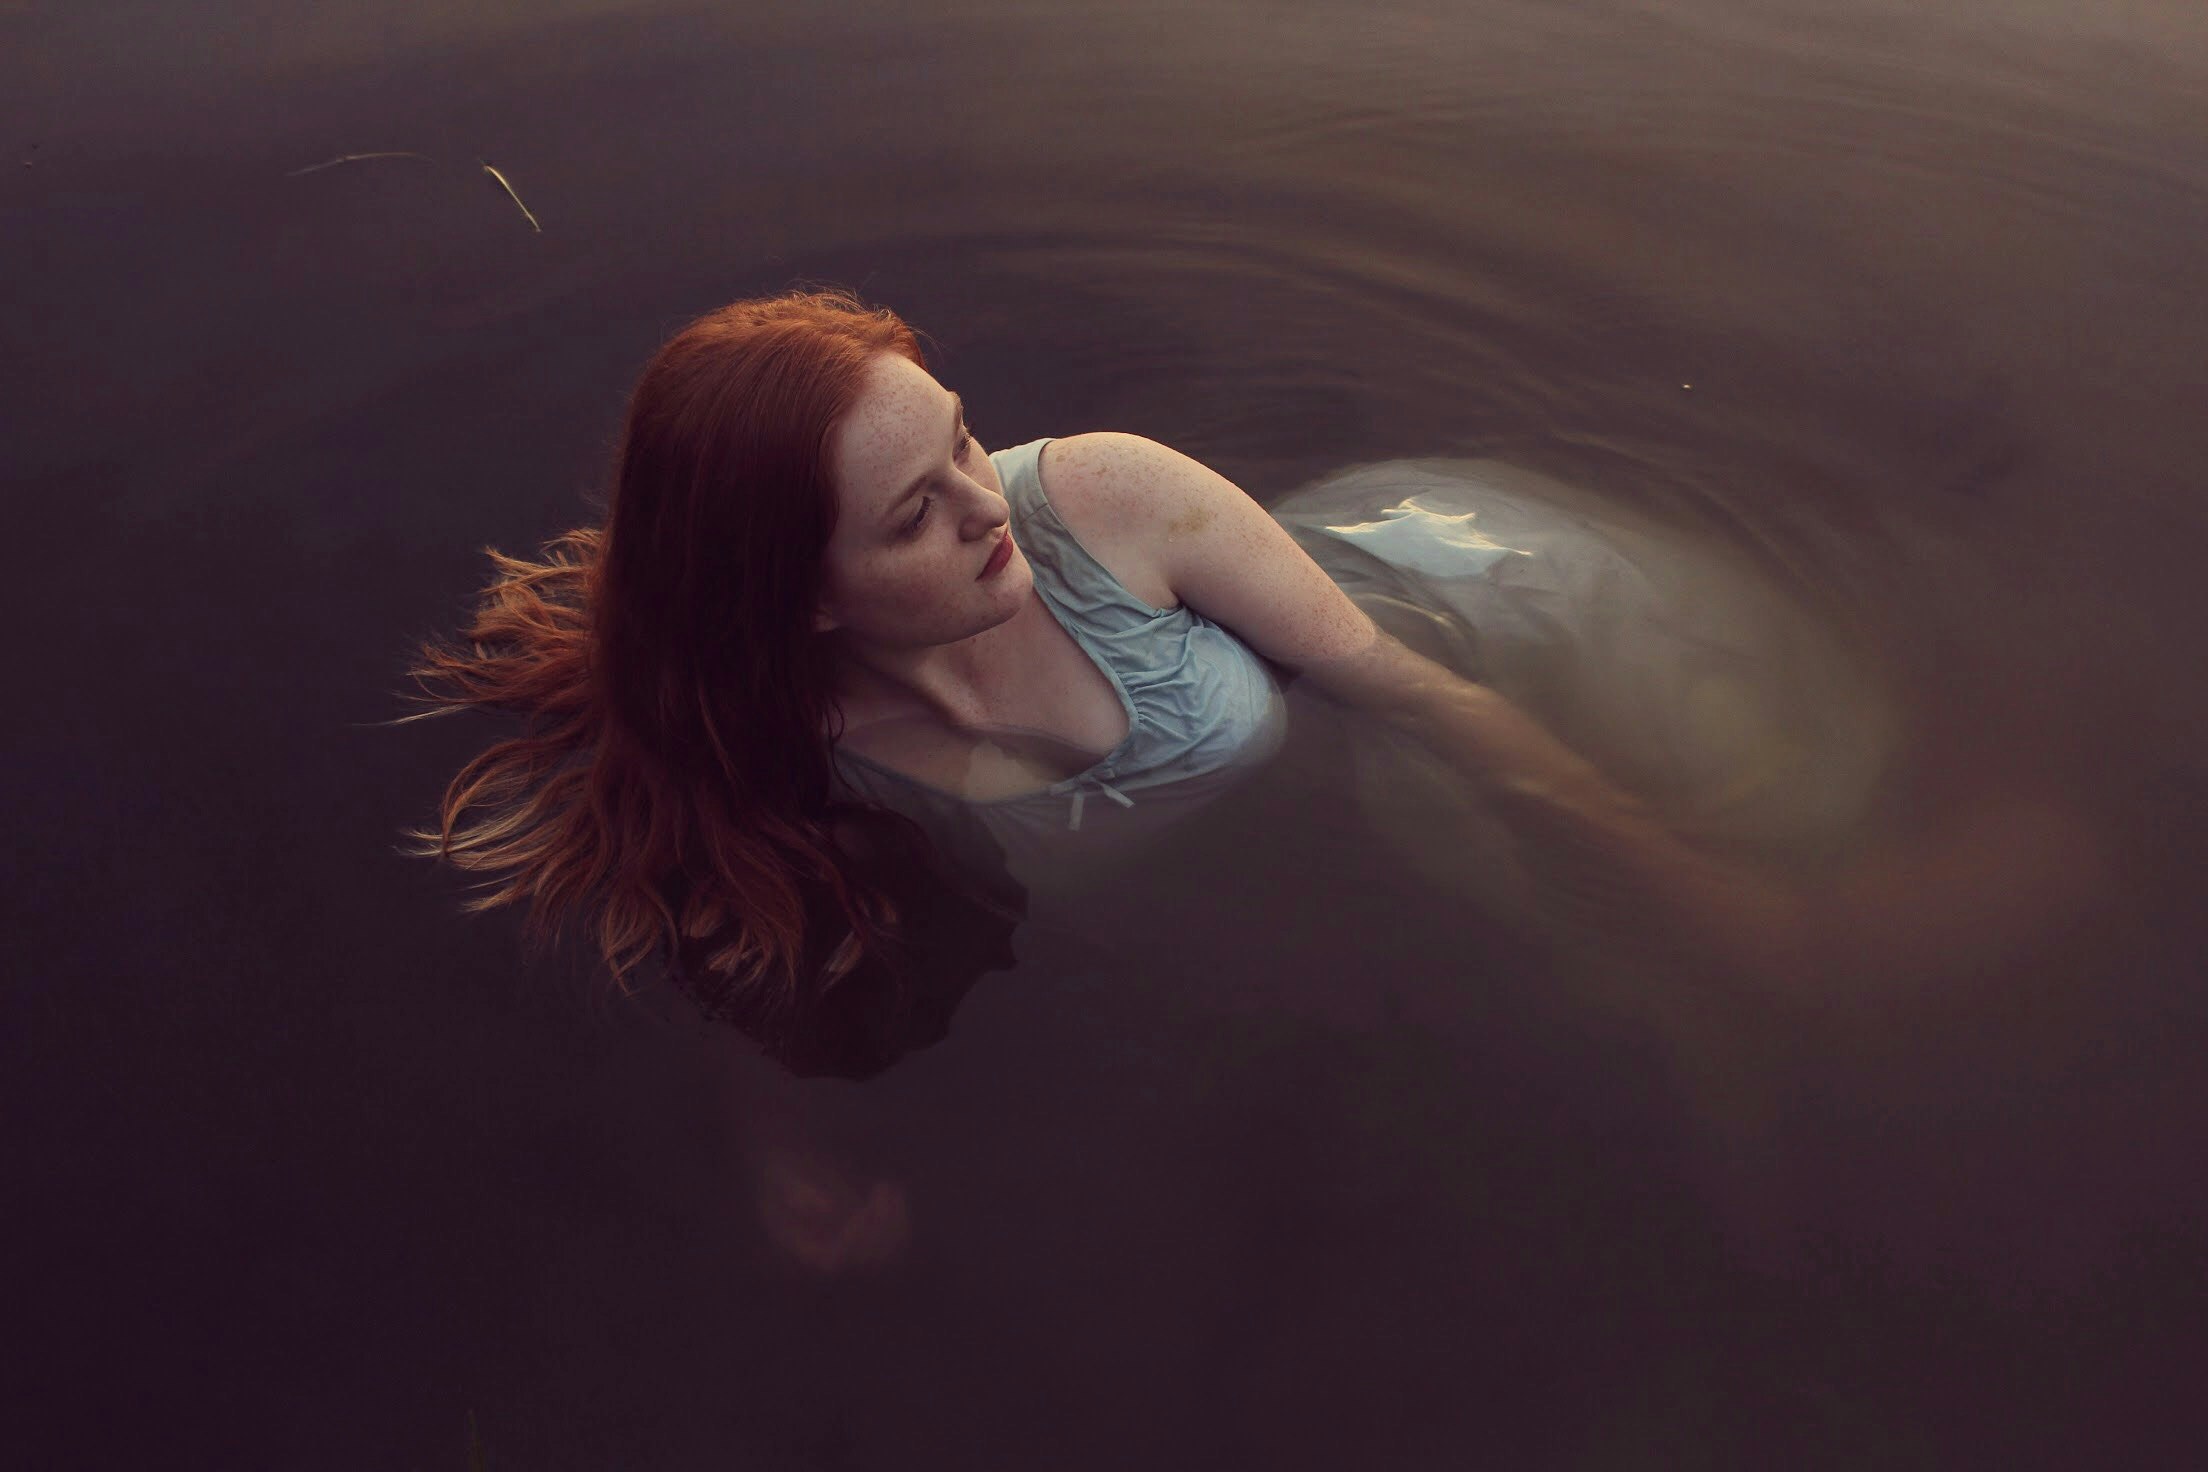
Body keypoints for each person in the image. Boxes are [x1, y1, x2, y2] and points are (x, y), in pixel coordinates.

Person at [388, 285, 2117, 1088]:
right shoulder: (774, 749)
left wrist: (1724, 905)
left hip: (1452, 607)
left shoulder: (1111, 496)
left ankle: (2067, 755)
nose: (991, 506)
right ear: (798, 599)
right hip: (1340, 782)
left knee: (1842, 836)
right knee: (1676, 1000)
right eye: (916, 513)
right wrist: (808, 1178)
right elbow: (767, 1003)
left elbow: (1421, 696)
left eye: (967, 439)